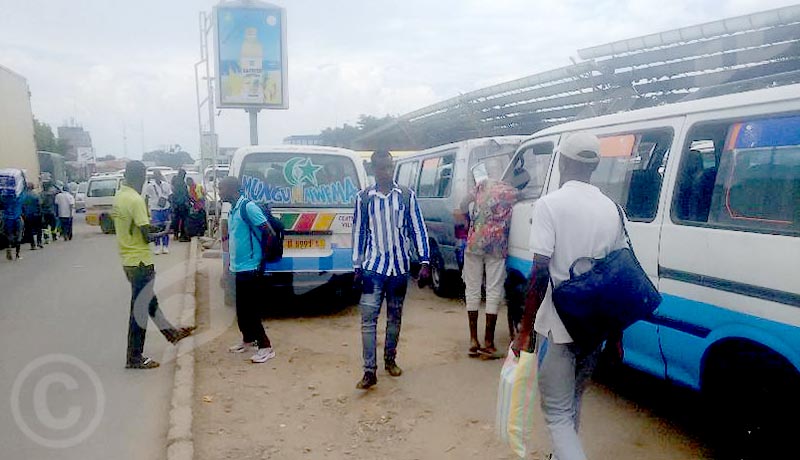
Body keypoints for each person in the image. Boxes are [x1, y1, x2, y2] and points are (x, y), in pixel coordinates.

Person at [512, 132, 625, 460]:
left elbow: (539, 273)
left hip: (560, 327)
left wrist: (524, 331)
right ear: (595, 166)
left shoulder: (550, 205)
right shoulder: (612, 209)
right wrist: (616, 337)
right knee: (572, 401)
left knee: (557, 414)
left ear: (562, 161)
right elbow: (618, 277)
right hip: (596, 327)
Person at [351, 150, 432, 390]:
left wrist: (425, 261)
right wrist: (357, 265)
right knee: (368, 320)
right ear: (374, 169)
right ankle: (369, 371)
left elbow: (418, 229)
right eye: (381, 168)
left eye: (389, 167)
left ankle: (390, 359)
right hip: (372, 269)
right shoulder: (364, 198)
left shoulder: (406, 196)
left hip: (399, 269)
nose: (386, 172)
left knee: (394, 317)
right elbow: (359, 233)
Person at [112, 161, 194, 369]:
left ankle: (171, 334)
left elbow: (136, 227)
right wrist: (166, 231)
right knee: (139, 309)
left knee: (150, 303)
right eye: (144, 177)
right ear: (138, 177)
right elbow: (146, 235)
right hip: (140, 261)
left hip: (128, 260)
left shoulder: (120, 196)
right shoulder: (135, 200)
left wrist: (155, 227)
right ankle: (134, 357)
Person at [459, 167, 519, 358]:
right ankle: (489, 343)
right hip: (497, 246)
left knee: (473, 289)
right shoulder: (509, 191)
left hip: (475, 242)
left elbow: (462, 205)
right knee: (493, 291)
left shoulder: (478, 187)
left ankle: (473, 340)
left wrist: (472, 222)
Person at [218, 176, 276, 364]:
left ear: (231, 189)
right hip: (238, 267)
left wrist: (260, 259)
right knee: (241, 309)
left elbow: (268, 232)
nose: (219, 192)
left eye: (221, 189)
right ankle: (247, 340)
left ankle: (266, 347)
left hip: (251, 268)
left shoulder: (248, 207)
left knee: (251, 309)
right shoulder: (233, 210)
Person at [143, 170, 172, 254]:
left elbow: (170, 196)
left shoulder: (166, 185)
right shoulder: (150, 186)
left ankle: (165, 246)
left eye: (158, 175)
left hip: (165, 208)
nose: (157, 177)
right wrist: (145, 210)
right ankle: (157, 246)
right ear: (154, 177)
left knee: (165, 227)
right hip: (155, 209)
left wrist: (171, 208)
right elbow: (146, 198)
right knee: (156, 228)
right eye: (155, 175)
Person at [1, 191, 24, 261]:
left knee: (9, 235)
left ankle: (9, 247)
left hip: (8, 218)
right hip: (17, 218)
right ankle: (17, 255)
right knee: (19, 235)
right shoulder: (19, 197)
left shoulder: (4, 197)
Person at [170, 169, 190, 242]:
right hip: (181, 204)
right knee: (183, 220)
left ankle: (176, 234)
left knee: (176, 220)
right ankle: (182, 234)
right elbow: (184, 194)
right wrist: (187, 202)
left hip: (176, 204)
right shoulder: (181, 183)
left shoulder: (175, 181)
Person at [22, 183, 43, 250]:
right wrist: (40, 213)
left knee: (29, 230)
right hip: (36, 214)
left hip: (27, 216)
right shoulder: (36, 195)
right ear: (33, 187)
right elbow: (40, 204)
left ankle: (32, 245)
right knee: (39, 229)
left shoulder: (23, 196)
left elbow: (22, 206)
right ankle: (39, 242)